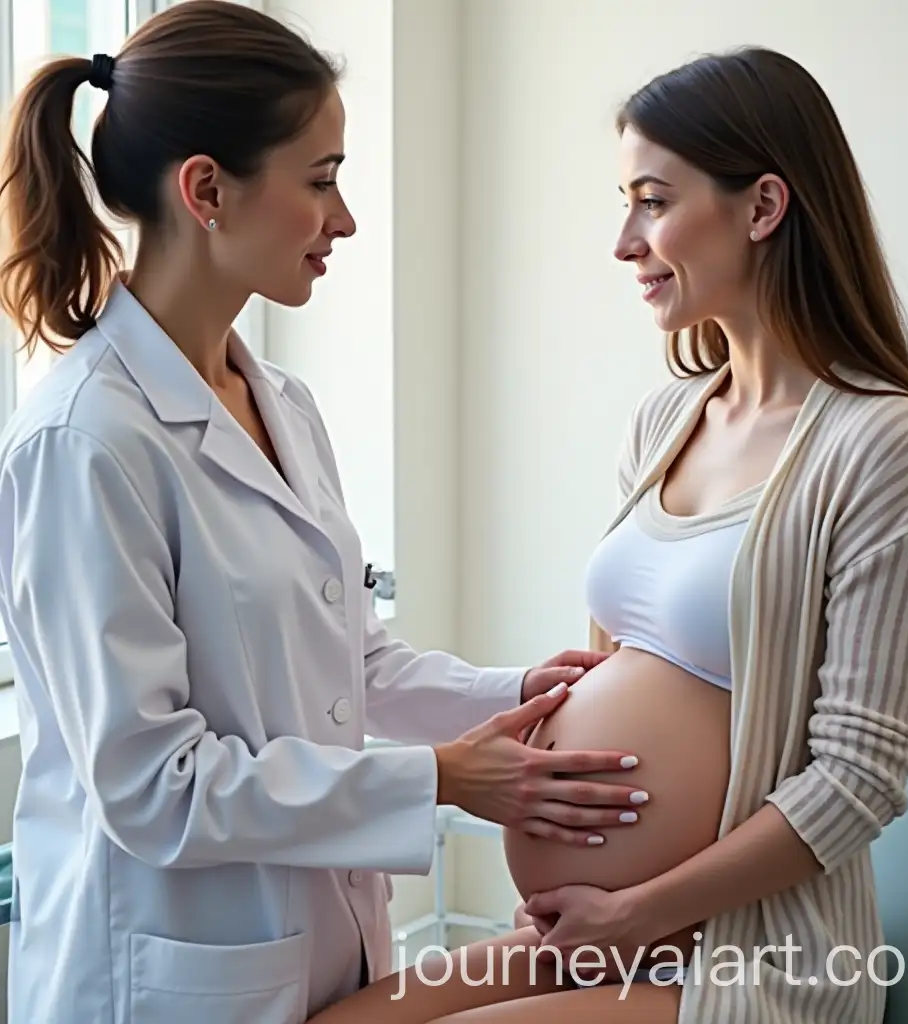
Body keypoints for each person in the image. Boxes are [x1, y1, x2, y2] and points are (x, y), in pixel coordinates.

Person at [0, 3, 651, 1023]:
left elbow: (352, 663)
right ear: (207, 190)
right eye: (321, 180)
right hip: (163, 981)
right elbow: (152, 786)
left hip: (315, 947)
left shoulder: (281, 405)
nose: (344, 220)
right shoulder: (84, 441)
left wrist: (513, 691)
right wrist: (436, 780)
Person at [303, 45, 908, 1024]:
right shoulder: (664, 422)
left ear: (763, 207)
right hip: (598, 932)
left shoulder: (881, 446)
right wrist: (572, 877)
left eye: (652, 202)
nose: (623, 241)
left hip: (750, 958)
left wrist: (635, 910)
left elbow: (858, 779)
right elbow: (615, 675)